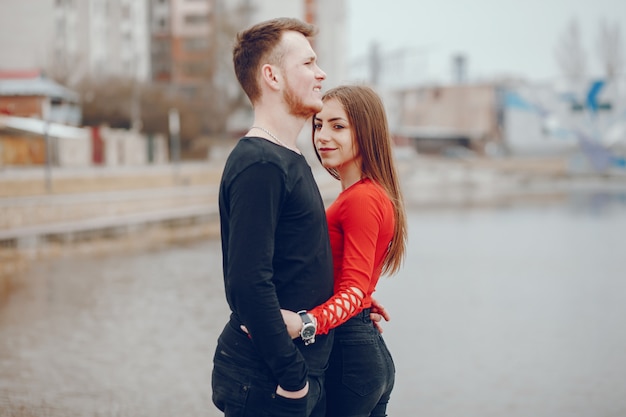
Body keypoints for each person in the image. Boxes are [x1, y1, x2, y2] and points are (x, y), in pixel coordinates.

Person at [211, 18, 334, 417]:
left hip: (288, 376)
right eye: (308, 64)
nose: (321, 73)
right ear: (272, 76)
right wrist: (293, 379)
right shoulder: (260, 163)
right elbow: (248, 283)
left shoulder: (287, 157)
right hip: (268, 381)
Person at [282, 85, 408, 417]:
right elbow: (355, 283)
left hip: (348, 357)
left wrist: (303, 324)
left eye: (338, 126)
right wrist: (362, 301)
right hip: (361, 350)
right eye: (319, 124)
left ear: (366, 132)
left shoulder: (361, 200)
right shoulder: (370, 194)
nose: (323, 135)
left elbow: (352, 289)